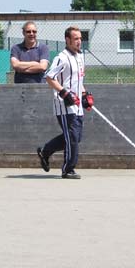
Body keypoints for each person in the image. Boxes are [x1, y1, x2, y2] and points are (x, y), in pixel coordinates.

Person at [36, 26, 94, 179]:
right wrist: (63, 92)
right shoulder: (61, 58)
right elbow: (49, 77)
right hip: (64, 105)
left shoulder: (80, 57)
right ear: (67, 40)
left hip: (77, 105)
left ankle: (45, 151)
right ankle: (68, 169)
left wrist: (84, 95)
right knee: (72, 137)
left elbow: (78, 80)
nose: (79, 41)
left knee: (76, 137)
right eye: (76, 39)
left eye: (80, 38)